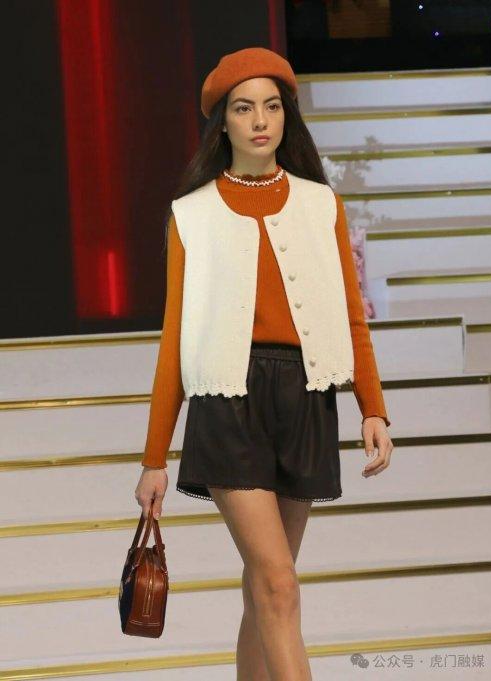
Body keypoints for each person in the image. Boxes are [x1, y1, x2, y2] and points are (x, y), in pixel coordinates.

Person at [135, 46, 393, 680]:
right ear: (222, 122)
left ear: (286, 117)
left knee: (267, 588)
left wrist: (373, 407)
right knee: (278, 584)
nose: (259, 120)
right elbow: (175, 338)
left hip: (306, 400)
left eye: (272, 107)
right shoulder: (192, 214)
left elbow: (350, 313)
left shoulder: (320, 204)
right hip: (229, 401)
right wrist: (153, 457)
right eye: (244, 108)